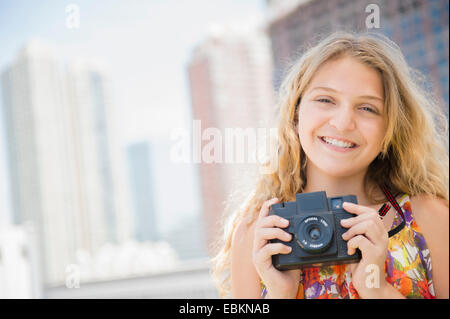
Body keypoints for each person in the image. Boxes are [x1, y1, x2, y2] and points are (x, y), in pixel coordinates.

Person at [212, 31, 449, 299]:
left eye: (368, 108)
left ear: (390, 130)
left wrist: (376, 289)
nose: (343, 122)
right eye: (325, 100)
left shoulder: (429, 218)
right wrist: (280, 293)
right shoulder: (259, 233)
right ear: (296, 113)